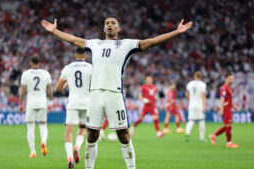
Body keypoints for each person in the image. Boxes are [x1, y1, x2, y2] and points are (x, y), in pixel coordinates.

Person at [41, 16, 192, 169]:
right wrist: (55, 31)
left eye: (113, 23)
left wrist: (176, 32)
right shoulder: (95, 44)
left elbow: (151, 41)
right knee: (92, 135)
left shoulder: (126, 44)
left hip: (114, 93)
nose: (110, 25)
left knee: (123, 135)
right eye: (107, 23)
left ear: (119, 28)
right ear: (104, 28)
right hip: (95, 94)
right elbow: (73, 40)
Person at [56, 48, 92, 168]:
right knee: (82, 128)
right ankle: (77, 147)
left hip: (73, 103)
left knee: (69, 131)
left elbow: (58, 88)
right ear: (85, 56)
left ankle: (70, 158)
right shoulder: (91, 67)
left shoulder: (68, 68)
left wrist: (67, 83)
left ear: (74, 55)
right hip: (87, 103)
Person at [19, 56, 53, 158]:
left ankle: (33, 152)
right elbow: (50, 90)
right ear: (40, 63)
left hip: (31, 103)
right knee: (43, 125)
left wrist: (20, 104)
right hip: (42, 102)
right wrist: (50, 102)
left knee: (30, 127)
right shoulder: (46, 73)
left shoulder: (26, 74)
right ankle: (43, 141)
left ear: (30, 63)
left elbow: (23, 91)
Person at [210, 73, 240, 148]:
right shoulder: (224, 88)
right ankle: (229, 143)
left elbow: (228, 99)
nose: (232, 80)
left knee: (227, 126)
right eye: (230, 79)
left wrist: (234, 106)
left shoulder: (229, 88)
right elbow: (222, 99)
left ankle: (214, 136)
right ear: (226, 79)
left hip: (228, 108)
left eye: (232, 79)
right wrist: (222, 110)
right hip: (225, 109)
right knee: (228, 126)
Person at [185, 71, 207, 142]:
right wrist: (204, 105)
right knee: (201, 120)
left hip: (191, 104)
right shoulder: (202, 84)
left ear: (194, 76)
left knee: (191, 120)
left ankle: (187, 134)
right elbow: (203, 95)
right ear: (201, 77)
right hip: (199, 104)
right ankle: (202, 137)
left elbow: (187, 94)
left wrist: (190, 100)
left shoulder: (189, 84)